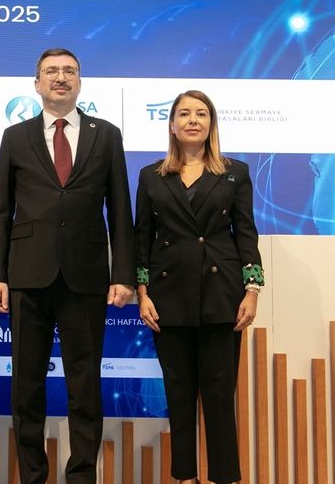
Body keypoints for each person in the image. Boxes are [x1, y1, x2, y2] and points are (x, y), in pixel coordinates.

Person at [0, 48, 136, 484]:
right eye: (51, 71)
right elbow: (1, 212)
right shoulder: (15, 136)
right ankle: (32, 475)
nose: (60, 77)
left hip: (86, 276)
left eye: (69, 71)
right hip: (27, 275)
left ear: (79, 82)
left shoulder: (105, 135)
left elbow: (120, 209)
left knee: (85, 385)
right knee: (27, 386)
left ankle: (82, 475)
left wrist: (123, 274)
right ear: (37, 84)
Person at [134, 90, 264, 484]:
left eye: (202, 114)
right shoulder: (151, 176)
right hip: (167, 297)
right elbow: (142, 238)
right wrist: (143, 293)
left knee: (220, 395)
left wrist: (252, 290)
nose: (193, 120)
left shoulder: (235, 172)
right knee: (178, 393)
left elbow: (246, 233)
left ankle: (224, 477)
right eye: (185, 114)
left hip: (222, 294)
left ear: (211, 124)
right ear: (172, 124)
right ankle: (184, 477)